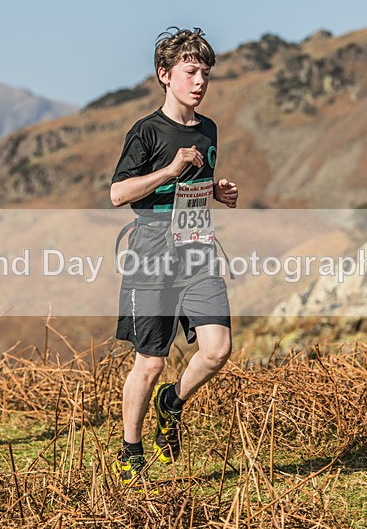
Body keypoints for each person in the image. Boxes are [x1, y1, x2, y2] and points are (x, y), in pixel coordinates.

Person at [109, 27, 239, 484]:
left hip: (198, 252)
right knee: (151, 361)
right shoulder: (144, 131)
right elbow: (118, 193)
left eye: (205, 73)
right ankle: (130, 449)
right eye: (190, 72)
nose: (199, 81)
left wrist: (218, 190)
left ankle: (173, 402)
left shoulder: (209, 130)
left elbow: (192, 187)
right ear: (165, 75)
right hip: (151, 255)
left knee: (217, 349)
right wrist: (169, 168)